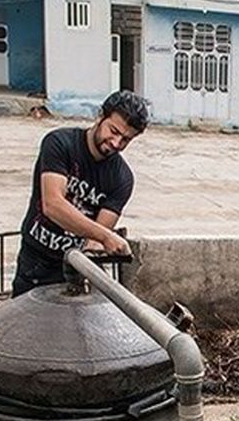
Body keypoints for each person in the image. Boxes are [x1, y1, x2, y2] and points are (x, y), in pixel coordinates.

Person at [11, 90, 150, 297]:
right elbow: (53, 205)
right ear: (101, 116)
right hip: (35, 261)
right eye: (113, 131)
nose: (116, 143)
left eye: (125, 140)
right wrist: (107, 237)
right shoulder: (59, 144)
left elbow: (95, 240)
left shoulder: (122, 178)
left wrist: (96, 247)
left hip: (75, 270)